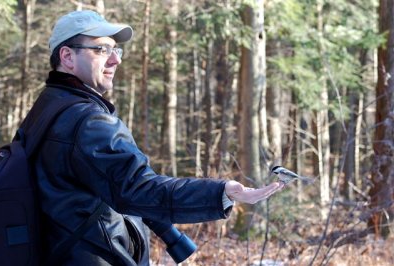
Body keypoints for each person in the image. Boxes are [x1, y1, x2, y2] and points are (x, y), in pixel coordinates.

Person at [21, 10, 284, 265]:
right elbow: (141, 190)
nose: (115, 60)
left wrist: (170, 234)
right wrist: (222, 192)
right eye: (101, 49)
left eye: (116, 50)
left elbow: (110, 188)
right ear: (67, 56)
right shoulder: (88, 121)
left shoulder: (45, 110)